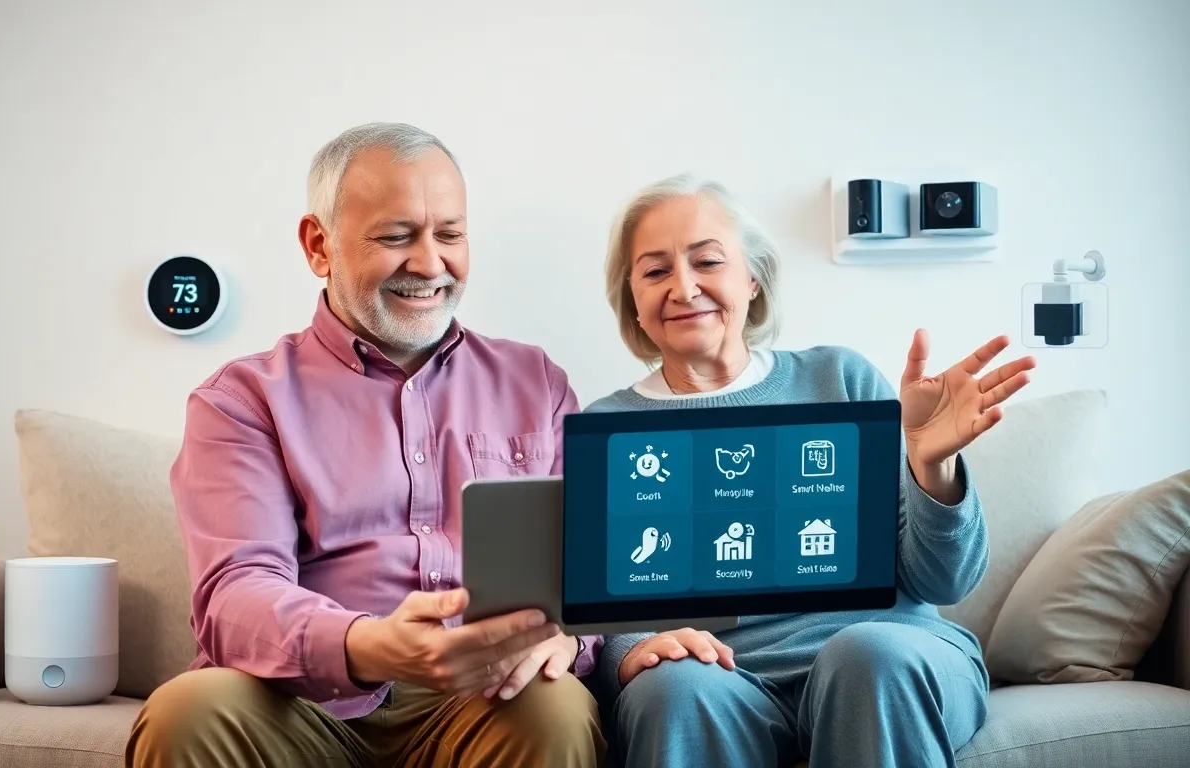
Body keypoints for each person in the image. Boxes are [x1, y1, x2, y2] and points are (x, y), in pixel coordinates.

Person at [125, 122, 605, 768]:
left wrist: (573, 643)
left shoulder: (535, 383)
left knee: (557, 706)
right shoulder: (241, 400)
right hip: (297, 707)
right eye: (397, 236)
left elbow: (594, 569)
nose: (431, 264)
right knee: (188, 713)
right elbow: (236, 593)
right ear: (319, 245)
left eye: (451, 234)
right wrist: (370, 645)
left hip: (487, 700)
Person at [584, 173, 1036, 768]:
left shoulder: (839, 379)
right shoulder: (606, 423)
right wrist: (636, 648)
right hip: (725, 678)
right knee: (671, 687)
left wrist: (931, 463)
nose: (684, 287)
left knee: (866, 654)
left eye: (707, 262)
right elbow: (602, 614)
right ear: (634, 303)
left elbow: (944, 583)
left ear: (753, 279)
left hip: (886, 651)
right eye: (655, 271)